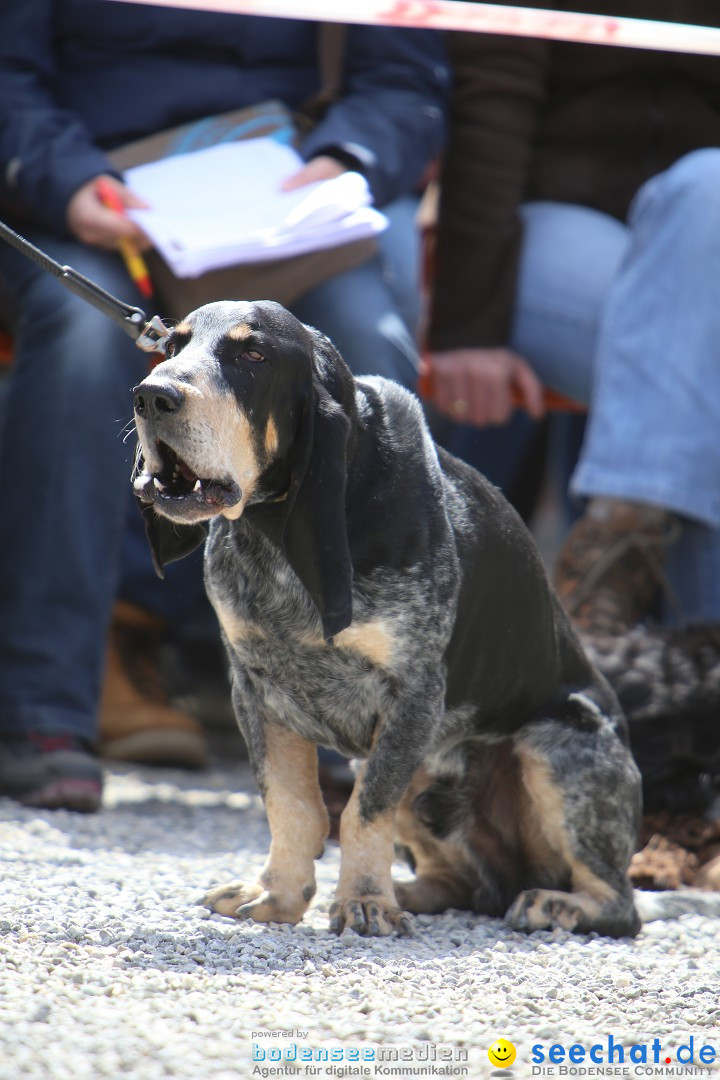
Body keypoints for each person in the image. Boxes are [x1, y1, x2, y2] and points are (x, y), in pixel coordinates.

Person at [0, 1, 448, 811]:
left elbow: (404, 77)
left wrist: (345, 156)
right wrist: (64, 181)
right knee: (79, 341)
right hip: (85, 204)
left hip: (278, 211)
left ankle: (375, 714)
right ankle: (44, 706)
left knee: (368, 350)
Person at [424, 0, 720, 638]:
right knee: (695, 356)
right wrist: (468, 328)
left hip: (706, 234)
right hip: (558, 215)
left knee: (708, 187)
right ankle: (695, 654)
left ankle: (621, 536)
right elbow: (490, 113)